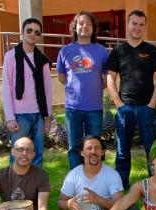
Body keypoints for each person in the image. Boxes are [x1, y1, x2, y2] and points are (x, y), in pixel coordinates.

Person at [105, 10, 156, 189]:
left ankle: (155, 184)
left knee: (152, 150)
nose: (137, 28)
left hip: (147, 108)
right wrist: (119, 104)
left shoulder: (151, 50)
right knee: (122, 151)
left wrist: (152, 105)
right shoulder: (118, 50)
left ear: (144, 27)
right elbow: (110, 79)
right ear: (128, 25)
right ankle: (121, 186)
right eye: (134, 24)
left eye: (141, 25)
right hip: (125, 108)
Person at [57, 11, 109, 170]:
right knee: (74, 147)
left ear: (93, 28)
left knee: (95, 147)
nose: (84, 26)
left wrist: (91, 88)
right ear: (75, 27)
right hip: (73, 108)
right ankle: (76, 179)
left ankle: (95, 177)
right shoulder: (65, 51)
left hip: (94, 107)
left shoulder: (101, 51)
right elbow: (61, 77)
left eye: (88, 23)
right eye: (81, 23)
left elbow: (107, 79)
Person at [2, 18, 53, 168]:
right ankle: (15, 190)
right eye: (29, 30)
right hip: (19, 115)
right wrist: (10, 117)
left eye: (37, 32)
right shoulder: (11, 56)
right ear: (22, 32)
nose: (32, 34)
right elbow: (6, 87)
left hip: (39, 114)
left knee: (37, 156)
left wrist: (47, 117)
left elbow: (47, 90)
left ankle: (36, 190)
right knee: (18, 155)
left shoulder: (43, 60)